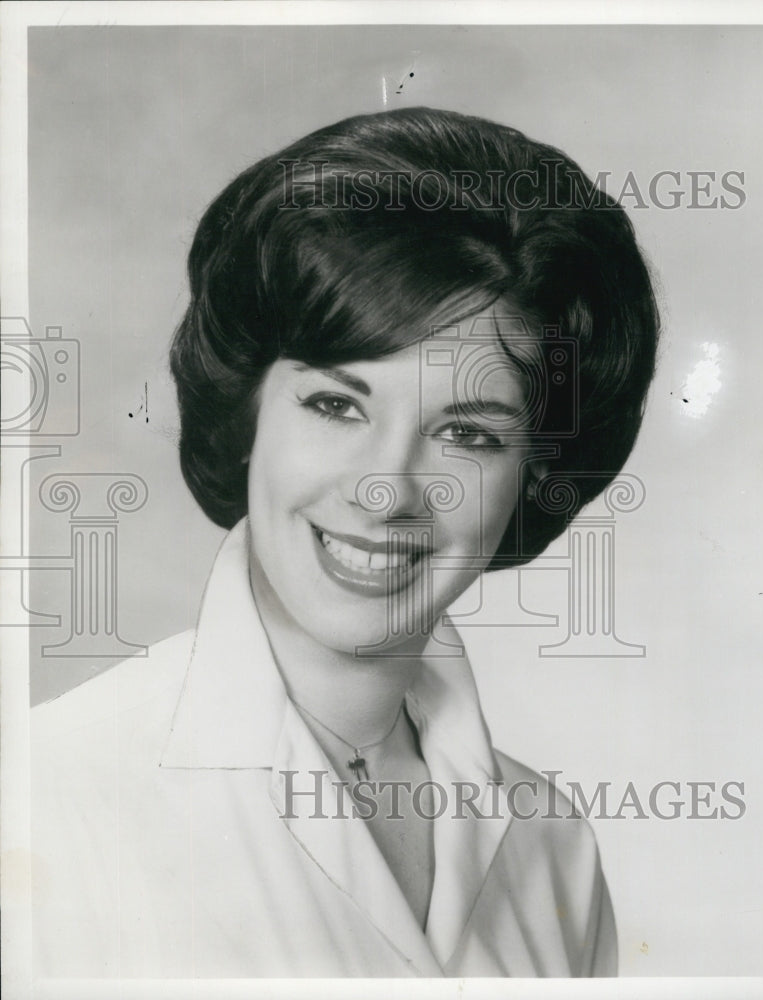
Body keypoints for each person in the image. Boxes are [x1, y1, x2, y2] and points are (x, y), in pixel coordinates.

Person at [31, 107, 659, 978]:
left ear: (533, 478)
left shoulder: (552, 847)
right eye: (337, 405)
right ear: (248, 408)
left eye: (468, 435)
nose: (387, 489)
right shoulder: (42, 796)